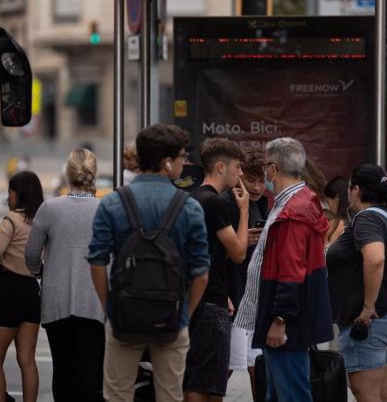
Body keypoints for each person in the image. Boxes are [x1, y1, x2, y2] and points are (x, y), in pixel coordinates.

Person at [88, 124, 210, 402]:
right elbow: (201, 274)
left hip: (124, 316)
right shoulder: (189, 207)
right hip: (171, 316)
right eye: (181, 157)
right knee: (169, 395)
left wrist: (110, 308)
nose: (184, 163)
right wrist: (183, 317)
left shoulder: (113, 203)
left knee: (117, 395)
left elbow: (97, 262)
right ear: (167, 162)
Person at [237, 137, 333, 402]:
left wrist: (280, 319)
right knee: (279, 392)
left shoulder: (293, 211)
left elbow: (292, 271)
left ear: (273, 168)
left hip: (287, 322)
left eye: (265, 166)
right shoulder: (297, 202)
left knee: (291, 393)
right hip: (290, 317)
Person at [25, 148, 105, 402]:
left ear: (68, 174)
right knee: (89, 369)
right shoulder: (105, 209)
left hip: (57, 301)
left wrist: (41, 272)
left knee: (62, 369)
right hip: (94, 301)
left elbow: (31, 254)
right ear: (93, 173)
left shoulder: (50, 208)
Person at [326, 164, 387, 402]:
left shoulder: (367, 218)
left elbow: (375, 259)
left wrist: (367, 307)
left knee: (367, 394)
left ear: (356, 190)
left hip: (369, 324)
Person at [184, 138, 250, 401]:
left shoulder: (192, 198)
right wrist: (244, 211)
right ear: (221, 167)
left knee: (194, 376)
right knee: (207, 384)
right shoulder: (215, 202)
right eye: (238, 167)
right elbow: (238, 253)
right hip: (211, 301)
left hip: (195, 295)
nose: (241, 173)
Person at [0, 171, 44, 402]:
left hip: (11, 292)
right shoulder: (39, 221)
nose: (7, 198)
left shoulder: (11, 220)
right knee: (27, 360)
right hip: (33, 293)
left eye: (10, 192)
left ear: (19, 194)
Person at [224, 145, 268, 396]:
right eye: (251, 180)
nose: (257, 187)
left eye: (261, 180)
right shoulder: (228, 203)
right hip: (232, 291)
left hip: (252, 295)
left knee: (256, 364)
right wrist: (241, 241)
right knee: (227, 365)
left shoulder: (262, 204)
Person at [323, 175, 349, 246]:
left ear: (337, 197)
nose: (329, 206)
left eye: (328, 201)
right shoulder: (356, 219)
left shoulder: (338, 224)